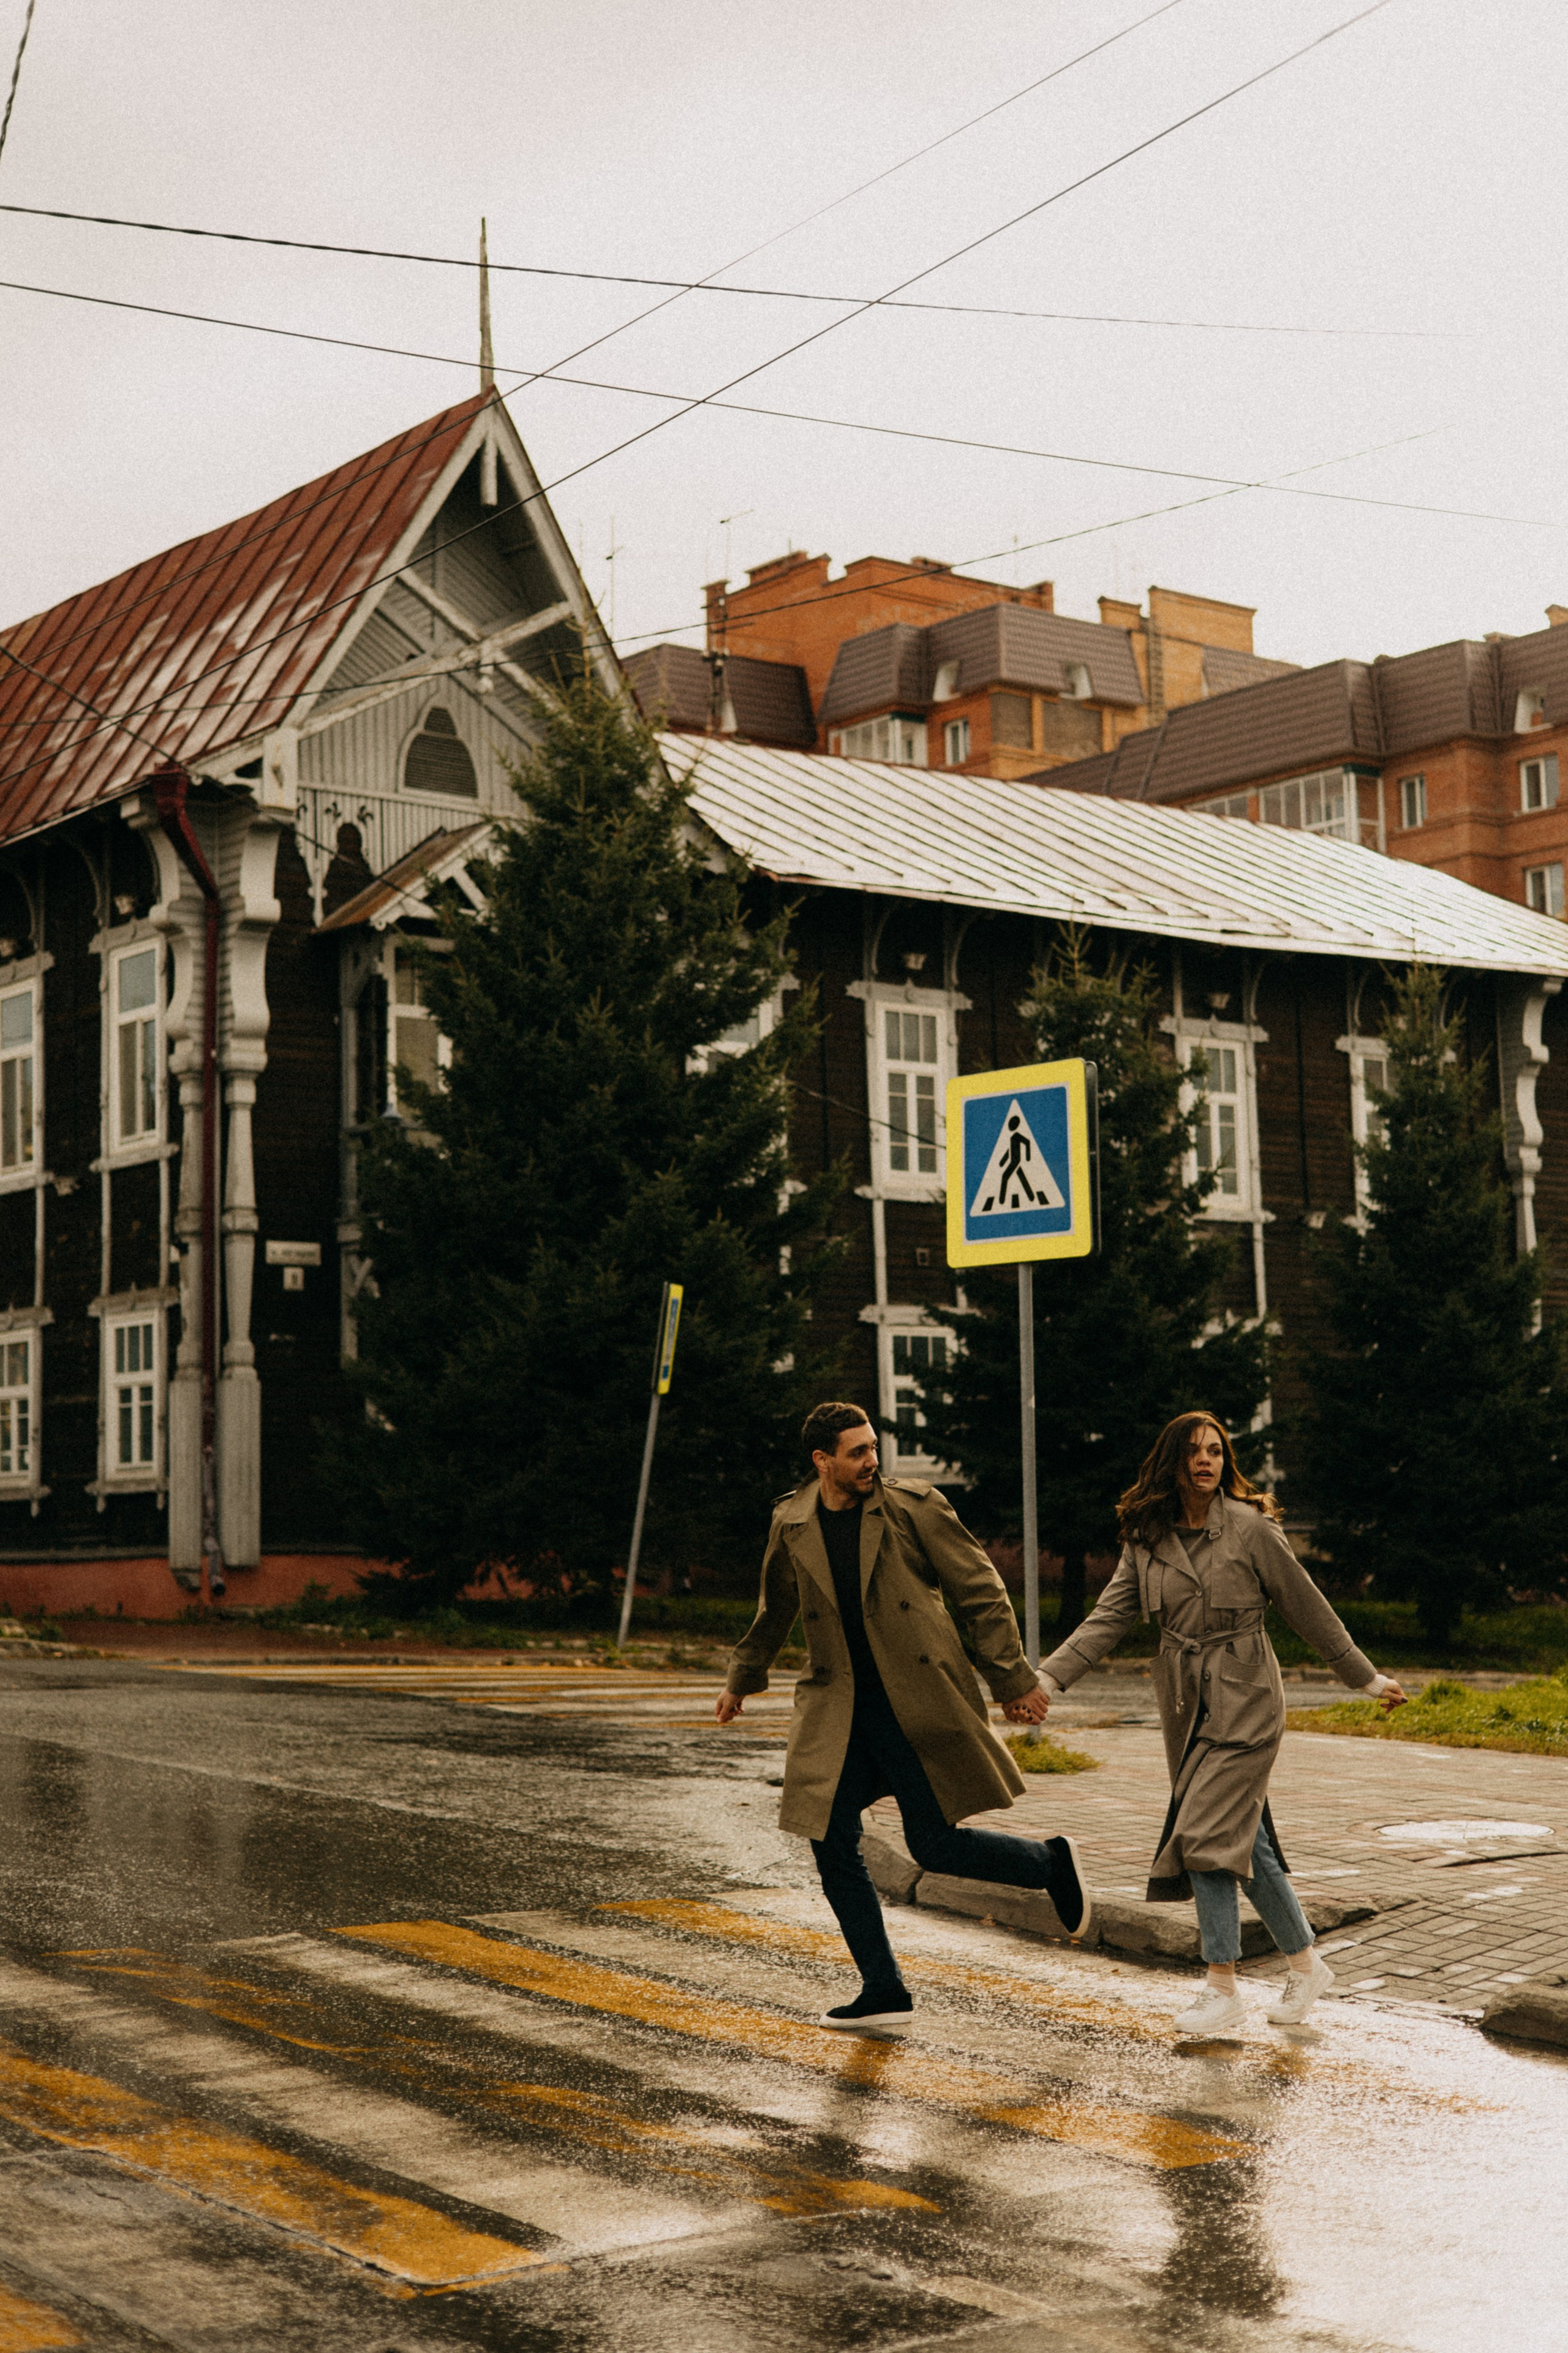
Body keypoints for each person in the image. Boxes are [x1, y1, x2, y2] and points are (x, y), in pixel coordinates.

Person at [717, 1400, 1090, 2033]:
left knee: (934, 1844)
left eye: (873, 1447)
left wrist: (1011, 1678)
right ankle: (883, 1987)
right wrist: (742, 1679)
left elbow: (980, 1590)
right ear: (822, 1461)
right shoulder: (792, 1521)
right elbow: (775, 1606)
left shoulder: (912, 1508)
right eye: (857, 1451)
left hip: (911, 1700)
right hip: (837, 1708)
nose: (871, 1461)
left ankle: (1050, 1862)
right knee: (829, 1837)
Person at [1038, 1411, 1406, 2034]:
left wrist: (1363, 1677)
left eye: (1215, 1451)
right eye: (1192, 1452)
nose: (1205, 1461)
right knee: (1246, 1844)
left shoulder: (1249, 1526)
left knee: (1203, 1836)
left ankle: (1221, 1986)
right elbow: (1108, 1617)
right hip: (1185, 1705)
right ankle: (1305, 1961)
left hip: (1248, 1699)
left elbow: (1306, 1606)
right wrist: (1047, 1678)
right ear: (1171, 1462)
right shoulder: (1146, 1537)